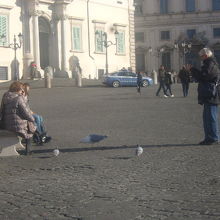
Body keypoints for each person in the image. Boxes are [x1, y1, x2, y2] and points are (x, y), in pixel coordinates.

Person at [188, 48, 220, 145]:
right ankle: (208, 137)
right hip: (208, 94)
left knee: (211, 117)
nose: (200, 58)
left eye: (201, 56)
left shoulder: (210, 64)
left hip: (211, 94)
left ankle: (213, 137)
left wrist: (192, 70)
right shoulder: (209, 63)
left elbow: (203, 77)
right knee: (206, 118)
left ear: (205, 55)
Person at [0, 81, 36, 154]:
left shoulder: (5, 96)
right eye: (22, 89)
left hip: (6, 125)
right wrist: (33, 119)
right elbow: (26, 113)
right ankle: (28, 151)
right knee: (31, 126)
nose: (23, 91)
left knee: (29, 124)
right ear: (18, 89)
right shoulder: (19, 99)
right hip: (16, 127)